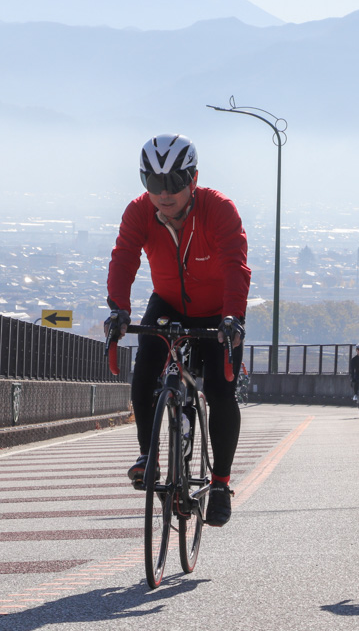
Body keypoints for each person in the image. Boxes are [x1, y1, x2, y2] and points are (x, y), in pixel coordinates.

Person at [105, 134, 251, 528]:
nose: (164, 194)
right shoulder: (139, 212)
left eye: (173, 183)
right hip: (168, 304)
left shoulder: (219, 210)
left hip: (219, 310)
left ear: (194, 179)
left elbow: (237, 265)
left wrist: (234, 318)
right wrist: (119, 309)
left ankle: (220, 484)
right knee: (144, 374)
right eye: (154, 184)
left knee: (221, 393)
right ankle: (147, 456)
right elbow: (123, 259)